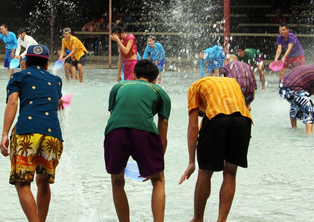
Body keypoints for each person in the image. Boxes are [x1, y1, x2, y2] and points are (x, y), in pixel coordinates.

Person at [0, 45, 64, 222]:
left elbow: (13, 102)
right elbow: (58, 103)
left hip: (27, 132)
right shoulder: (56, 80)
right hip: (53, 136)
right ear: (46, 64)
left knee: (22, 182)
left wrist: (5, 133)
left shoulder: (19, 76)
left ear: (25, 62)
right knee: (43, 181)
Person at [104, 60, 171, 222]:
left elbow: (114, 115)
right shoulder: (160, 92)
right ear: (155, 79)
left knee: (117, 181)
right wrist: (155, 165)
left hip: (115, 131)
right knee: (158, 180)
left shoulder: (119, 86)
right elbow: (162, 137)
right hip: (144, 131)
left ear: (134, 75)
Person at [179, 77, 253, 222]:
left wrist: (191, 162)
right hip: (243, 120)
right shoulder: (232, 82)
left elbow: (193, 127)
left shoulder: (194, 88)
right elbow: (243, 108)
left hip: (217, 120)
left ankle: (198, 219)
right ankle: (221, 220)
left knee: (205, 172)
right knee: (231, 172)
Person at [278, 64, 314, 134]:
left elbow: (313, 91)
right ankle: (309, 133)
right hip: (292, 90)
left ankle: (294, 127)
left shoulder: (312, 69)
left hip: (282, 88)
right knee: (310, 108)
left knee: (296, 102)